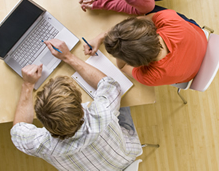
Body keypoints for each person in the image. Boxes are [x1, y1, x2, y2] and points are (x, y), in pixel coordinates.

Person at [10, 39, 142, 171]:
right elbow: (110, 85)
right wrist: (68, 56)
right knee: (122, 95)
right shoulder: (102, 113)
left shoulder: (42, 145)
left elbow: (18, 131)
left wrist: (28, 85)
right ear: (81, 109)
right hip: (125, 159)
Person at [83, 8, 208, 86]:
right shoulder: (169, 20)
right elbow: (144, 19)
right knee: (151, 10)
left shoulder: (150, 76)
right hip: (199, 39)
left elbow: (121, 66)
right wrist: (107, 36)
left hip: (190, 71)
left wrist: (105, 37)